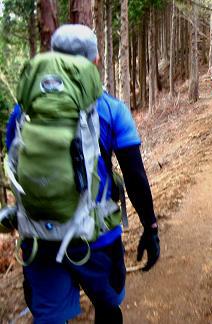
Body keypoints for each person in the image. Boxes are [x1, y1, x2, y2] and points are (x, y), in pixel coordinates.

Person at [4, 24, 160, 324]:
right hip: (97, 240)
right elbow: (135, 178)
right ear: (96, 62)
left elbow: (17, 171)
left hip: (39, 239)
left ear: (52, 58)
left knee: (49, 318)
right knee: (108, 308)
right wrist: (150, 227)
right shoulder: (112, 110)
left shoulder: (22, 112)